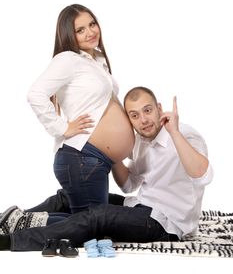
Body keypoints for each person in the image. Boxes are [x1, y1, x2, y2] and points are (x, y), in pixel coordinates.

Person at [0, 86, 213, 251]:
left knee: (98, 215)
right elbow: (129, 185)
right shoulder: (140, 143)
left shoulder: (185, 134)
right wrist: (112, 151)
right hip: (141, 205)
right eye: (135, 115)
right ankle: (11, 220)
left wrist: (174, 132)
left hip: (168, 224)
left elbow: (202, 174)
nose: (144, 120)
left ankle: (10, 241)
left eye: (147, 111)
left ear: (159, 108)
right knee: (67, 197)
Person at [26, 4, 135, 213]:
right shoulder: (68, 59)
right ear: (69, 35)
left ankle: (29, 216)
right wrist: (62, 128)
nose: (90, 32)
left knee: (94, 222)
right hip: (82, 157)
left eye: (92, 24)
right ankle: (19, 225)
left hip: (95, 160)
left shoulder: (97, 60)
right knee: (92, 227)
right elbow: (35, 94)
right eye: (80, 30)